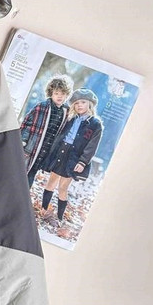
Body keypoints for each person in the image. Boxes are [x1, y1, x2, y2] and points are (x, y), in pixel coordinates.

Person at [38, 88, 103, 225]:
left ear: (90, 104)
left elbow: (92, 146)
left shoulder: (95, 124)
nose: (80, 105)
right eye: (77, 103)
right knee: (51, 182)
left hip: (74, 157)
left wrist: (83, 162)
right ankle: (43, 209)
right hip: (61, 151)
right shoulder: (70, 117)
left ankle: (60, 217)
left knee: (63, 187)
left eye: (83, 102)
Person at [19, 74, 74, 187]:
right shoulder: (42, 107)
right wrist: (23, 141)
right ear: (51, 93)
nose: (59, 96)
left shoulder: (66, 112)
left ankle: (23, 196)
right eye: (56, 93)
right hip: (32, 146)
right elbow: (27, 124)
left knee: (32, 173)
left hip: (46, 150)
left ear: (67, 95)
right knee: (22, 172)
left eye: (63, 94)